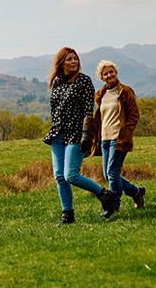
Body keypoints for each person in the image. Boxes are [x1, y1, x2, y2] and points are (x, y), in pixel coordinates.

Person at [43, 47, 117, 225]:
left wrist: (87, 136)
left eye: (75, 59)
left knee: (71, 175)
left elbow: (87, 109)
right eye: (69, 59)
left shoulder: (84, 81)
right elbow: (56, 109)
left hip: (76, 134)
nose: (74, 62)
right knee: (60, 176)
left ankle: (105, 195)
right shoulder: (58, 82)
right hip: (58, 134)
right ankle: (67, 215)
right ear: (62, 63)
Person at [90, 60, 145, 213]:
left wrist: (127, 132)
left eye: (111, 72)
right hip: (104, 139)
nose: (109, 75)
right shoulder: (101, 94)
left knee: (112, 173)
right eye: (105, 73)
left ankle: (114, 206)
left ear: (116, 72)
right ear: (101, 77)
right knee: (108, 175)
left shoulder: (126, 91)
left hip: (119, 138)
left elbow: (134, 115)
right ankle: (136, 192)